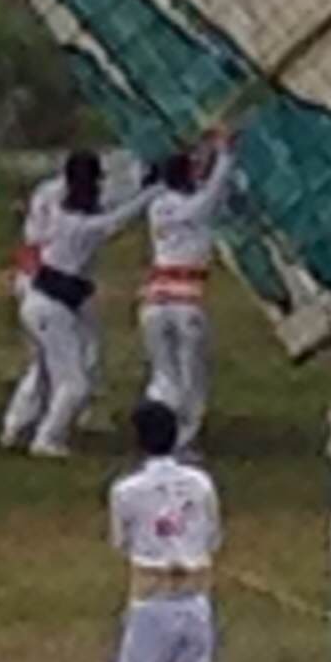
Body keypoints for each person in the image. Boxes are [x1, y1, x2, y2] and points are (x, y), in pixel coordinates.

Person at [105, 397, 221, 662]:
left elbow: (122, 542)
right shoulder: (201, 484)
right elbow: (212, 536)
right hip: (195, 596)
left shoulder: (126, 491)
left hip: (153, 598)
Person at [3, 150, 151, 457]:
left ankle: (18, 426)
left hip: (44, 298)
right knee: (74, 383)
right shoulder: (83, 225)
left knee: (47, 368)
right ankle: (46, 438)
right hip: (50, 304)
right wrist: (156, 188)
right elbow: (119, 218)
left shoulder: (59, 209)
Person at [136, 133, 234, 444]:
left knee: (163, 371)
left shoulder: (157, 206)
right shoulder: (197, 208)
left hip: (154, 299)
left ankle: (156, 427)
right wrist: (225, 153)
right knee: (192, 374)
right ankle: (184, 437)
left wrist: (205, 152)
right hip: (186, 298)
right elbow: (216, 186)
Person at [0, 164, 67, 448]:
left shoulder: (46, 190)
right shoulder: (60, 193)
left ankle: (23, 422)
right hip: (43, 278)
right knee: (46, 363)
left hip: (32, 275)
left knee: (43, 361)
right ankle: (25, 423)